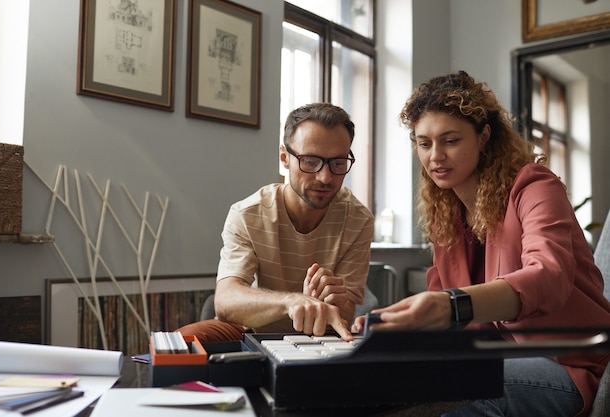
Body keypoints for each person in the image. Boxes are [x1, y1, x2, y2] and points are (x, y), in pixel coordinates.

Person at [352, 71, 610, 417]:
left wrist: (451, 306)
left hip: (568, 362)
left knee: (453, 391)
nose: (435, 157)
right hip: (494, 357)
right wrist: (391, 326)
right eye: (424, 143)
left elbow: (549, 275)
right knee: (374, 385)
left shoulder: (534, 186)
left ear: (484, 136)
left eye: (451, 140)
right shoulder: (447, 211)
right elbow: (439, 300)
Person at [178, 102, 374, 343]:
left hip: (320, 336)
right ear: (285, 158)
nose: (325, 177)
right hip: (253, 333)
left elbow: (343, 317)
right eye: (310, 162)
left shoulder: (358, 219)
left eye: (338, 163)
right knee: (184, 340)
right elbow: (225, 302)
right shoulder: (248, 214)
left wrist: (328, 303)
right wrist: (292, 301)